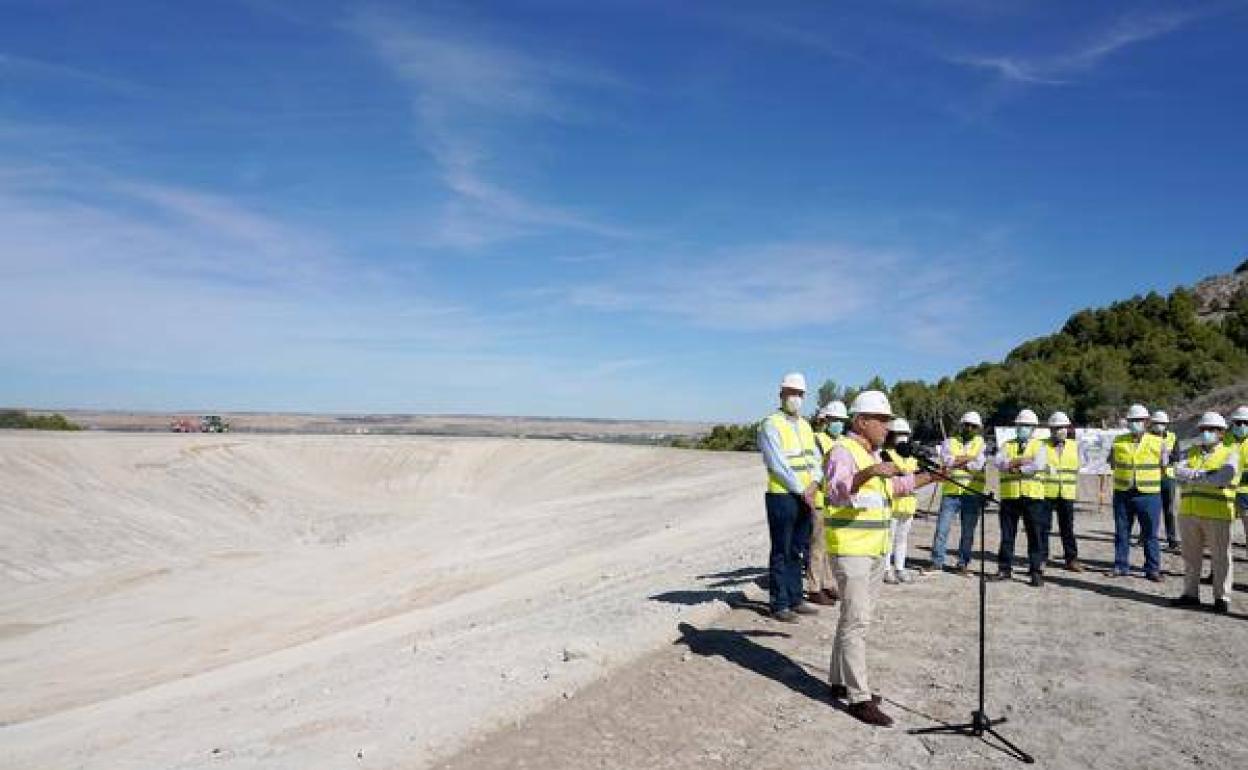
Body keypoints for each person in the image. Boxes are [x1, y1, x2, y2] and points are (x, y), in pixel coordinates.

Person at [823, 391, 938, 726]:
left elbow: (898, 486)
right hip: (851, 549)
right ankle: (858, 698)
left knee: (853, 618)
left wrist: (933, 475)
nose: (887, 427)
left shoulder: (873, 453)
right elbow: (836, 490)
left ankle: (838, 681)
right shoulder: (844, 452)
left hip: (873, 549)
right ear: (862, 421)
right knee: (857, 622)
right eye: (882, 420)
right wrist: (871, 471)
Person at [757, 372, 822, 622]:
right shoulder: (770, 424)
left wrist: (815, 482)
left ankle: (796, 598)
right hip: (783, 496)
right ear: (781, 394)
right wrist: (802, 489)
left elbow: (815, 459)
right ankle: (779, 602)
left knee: (797, 549)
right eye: (790, 393)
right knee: (782, 550)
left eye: (799, 394)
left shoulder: (805, 426)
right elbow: (777, 464)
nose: (795, 397)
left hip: (806, 495)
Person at [1171, 412, 1238, 614]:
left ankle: (1221, 598)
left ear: (1221, 433)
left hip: (1217, 513)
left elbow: (1223, 477)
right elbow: (1177, 471)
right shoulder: (1190, 452)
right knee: (1191, 557)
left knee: (1220, 557)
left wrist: (1192, 476)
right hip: (1188, 512)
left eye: (1211, 429)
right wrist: (1206, 476)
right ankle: (1190, 594)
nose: (1206, 432)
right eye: (1203, 429)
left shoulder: (1230, 453)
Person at [1110, 404, 1167, 581]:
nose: (1135, 423)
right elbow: (1111, 463)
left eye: (1138, 421)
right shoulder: (1118, 441)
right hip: (1123, 493)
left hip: (1149, 495)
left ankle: (1152, 569)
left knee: (1150, 534)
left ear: (1146, 422)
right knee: (1122, 531)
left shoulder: (1159, 442)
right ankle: (1120, 566)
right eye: (1132, 421)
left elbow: (1164, 467)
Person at [995, 409, 1049, 586]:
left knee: (1035, 536)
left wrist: (1013, 465)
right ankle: (1004, 569)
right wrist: (1021, 461)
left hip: (1033, 497)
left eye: (1026, 425)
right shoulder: (1006, 445)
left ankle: (1035, 571)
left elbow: (1037, 465)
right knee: (1007, 535)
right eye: (1020, 425)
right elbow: (998, 463)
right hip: (1010, 495)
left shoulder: (1040, 446)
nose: (1022, 428)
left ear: (1033, 428)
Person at [932, 411, 987, 575]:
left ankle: (963, 564)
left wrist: (958, 461)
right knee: (942, 529)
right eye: (967, 425)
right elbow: (947, 460)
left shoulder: (982, 443)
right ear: (961, 425)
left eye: (973, 426)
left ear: (978, 428)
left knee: (968, 532)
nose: (969, 428)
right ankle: (936, 562)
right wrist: (969, 458)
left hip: (972, 492)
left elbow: (978, 465)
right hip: (951, 492)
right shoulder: (949, 441)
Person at [804, 401, 847, 606]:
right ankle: (814, 587)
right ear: (827, 420)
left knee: (831, 546)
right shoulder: (818, 440)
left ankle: (828, 583)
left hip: (835, 501)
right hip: (821, 500)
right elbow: (816, 470)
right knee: (818, 545)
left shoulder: (843, 441)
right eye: (835, 420)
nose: (838, 423)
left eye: (841, 420)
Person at [1043, 411, 1084, 571]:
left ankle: (1071, 559)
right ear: (1051, 429)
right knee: (1043, 527)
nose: (1060, 430)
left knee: (1067, 528)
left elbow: (1080, 465)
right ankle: (1041, 558)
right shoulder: (1041, 445)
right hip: (1046, 492)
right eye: (1057, 427)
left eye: (1063, 427)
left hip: (1067, 493)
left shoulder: (1075, 446)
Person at [883, 418, 920, 584]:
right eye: (899, 434)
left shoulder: (912, 457)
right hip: (892, 503)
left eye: (905, 434)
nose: (902, 437)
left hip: (908, 504)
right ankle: (886, 569)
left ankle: (900, 567)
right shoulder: (886, 454)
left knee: (902, 538)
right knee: (888, 538)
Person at [1151, 410, 1181, 552]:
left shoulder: (1173, 437)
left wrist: (1166, 459)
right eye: (1156, 423)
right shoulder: (1146, 437)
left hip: (1168, 477)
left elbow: (1177, 456)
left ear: (1166, 424)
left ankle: (1172, 539)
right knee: (1150, 510)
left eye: (1162, 423)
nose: (1159, 426)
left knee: (1169, 510)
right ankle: (1146, 536)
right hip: (1151, 477)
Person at [1229, 406, 1248, 551]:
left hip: (1246, 494)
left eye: (1245, 423)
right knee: (1222, 532)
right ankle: (1218, 568)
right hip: (1226, 493)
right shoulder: (1224, 440)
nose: (1242, 426)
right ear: (1232, 423)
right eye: (1238, 422)